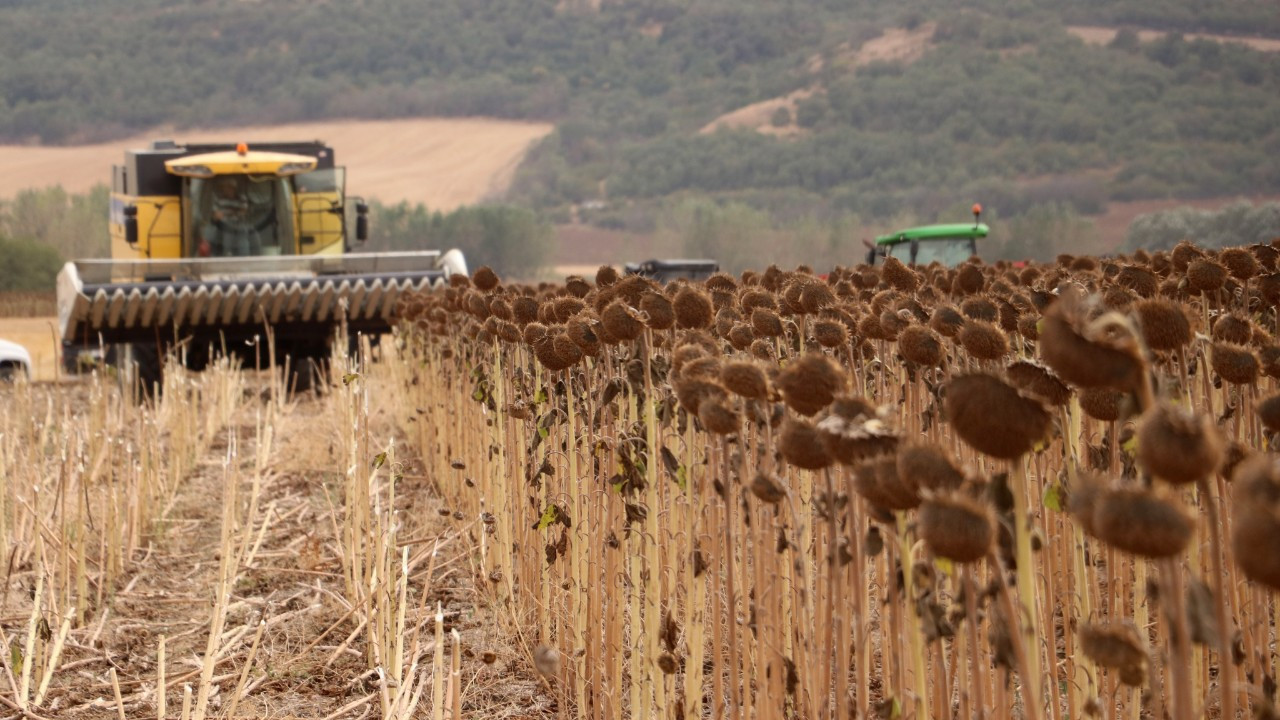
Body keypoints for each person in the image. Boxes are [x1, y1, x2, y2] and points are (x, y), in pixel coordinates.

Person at [197, 177, 266, 257]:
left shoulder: (241, 198)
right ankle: (226, 255)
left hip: (240, 226)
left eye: (228, 187)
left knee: (245, 238)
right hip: (224, 226)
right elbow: (216, 215)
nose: (226, 190)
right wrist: (228, 214)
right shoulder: (219, 200)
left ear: (233, 188)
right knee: (223, 236)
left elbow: (243, 212)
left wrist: (226, 214)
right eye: (224, 188)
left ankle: (244, 259)